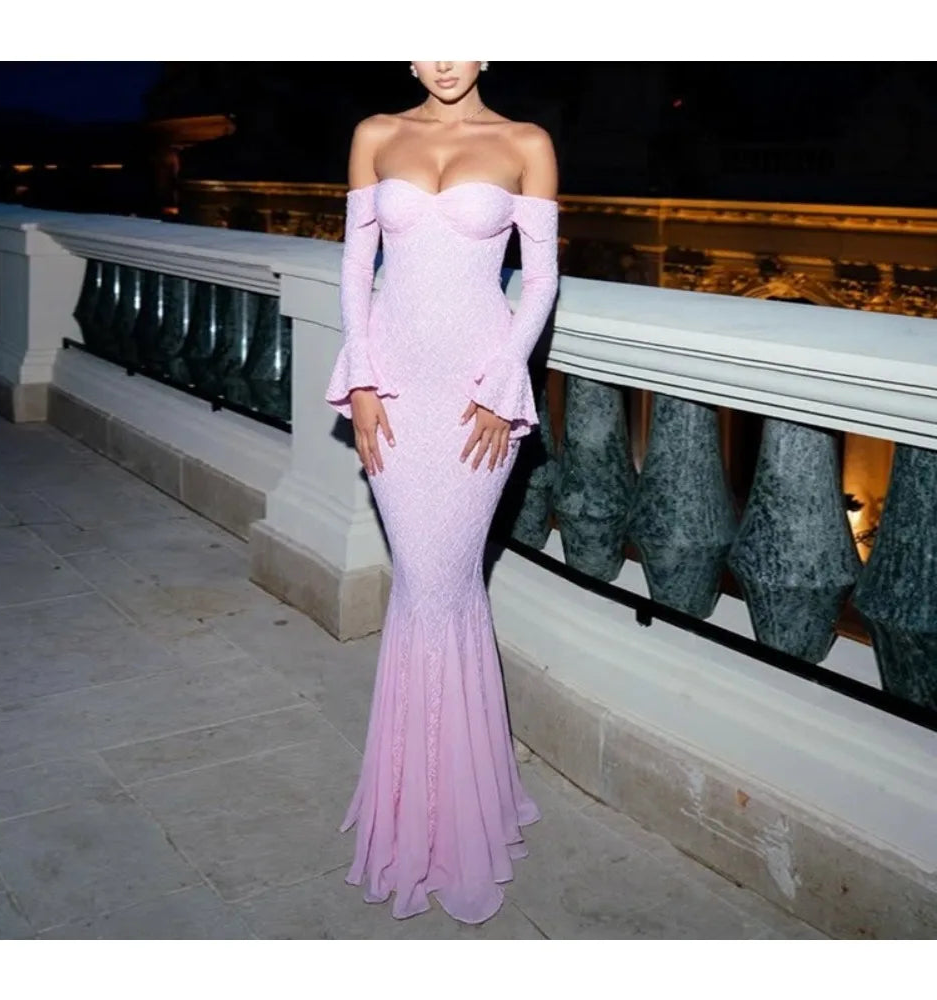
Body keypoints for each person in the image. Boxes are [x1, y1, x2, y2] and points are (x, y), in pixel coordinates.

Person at [325, 60, 559, 924]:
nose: (446, 57)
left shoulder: (525, 143)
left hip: (474, 394)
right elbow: (357, 270)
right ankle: (419, 808)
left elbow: (538, 281)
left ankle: (454, 815)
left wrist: (504, 384)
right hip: (394, 391)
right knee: (427, 589)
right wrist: (361, 378)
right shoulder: (376, 135)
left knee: (441, 586)